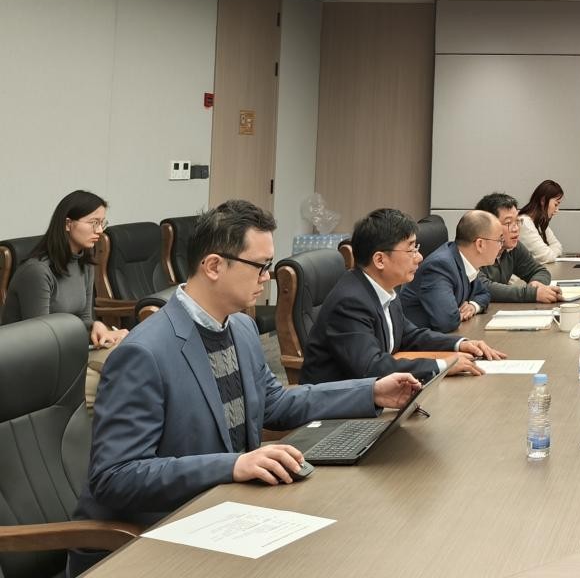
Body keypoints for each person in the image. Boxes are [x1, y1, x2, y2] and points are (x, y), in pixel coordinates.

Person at [72, 200, 423, 573]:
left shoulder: (240, 327)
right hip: (148, 539)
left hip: (223, 517)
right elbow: (116, 477)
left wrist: (371, 391)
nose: (267, 278)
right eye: (260, 266)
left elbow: (274, 404)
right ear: (213, 266)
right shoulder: (143, 352)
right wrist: (234, 465)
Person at [301, 208, 504, 384]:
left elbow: (409, 336)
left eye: (417, 248)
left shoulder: (384, 288)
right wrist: (442, 365)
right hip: (336, 407)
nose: (419, 257)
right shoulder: (350, 302)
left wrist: (460, 344)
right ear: (380, 260)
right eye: (411, 249)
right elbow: (371, 367)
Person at [2, 190, 127, 348]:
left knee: (127, 350)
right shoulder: (37, 271)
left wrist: (96, 327)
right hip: (28, 357)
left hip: (66, 350)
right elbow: (40, 337)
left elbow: (84, 319)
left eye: (102, 223)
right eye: (94, 223)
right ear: (68, 224)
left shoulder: (85, 263)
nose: (100, 230)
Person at [399, 209, 505, 331]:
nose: (501, 246)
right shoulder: (440, 266)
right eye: (499, 241)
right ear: (480, 244)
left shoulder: (463, 259)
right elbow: (446, 321)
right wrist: (457, 313)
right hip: (417, 339)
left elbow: (484, 293)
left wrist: (473, 306)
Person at [476, 192, 561, 304]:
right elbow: (483, 287)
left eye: (517, 221)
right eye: (508, 223)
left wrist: (537, 284)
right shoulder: (475, 248)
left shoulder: (512, 247)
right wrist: (532, 293)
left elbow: (539, 271)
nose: (516, 228)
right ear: (487, 225)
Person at [517, 179, 565, 265]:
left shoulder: (540, 222)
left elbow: (558, 246)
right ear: (543, 200)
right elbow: (546, 257)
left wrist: (550, 252)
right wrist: (550, 252)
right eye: (556, 204)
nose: (557, 210)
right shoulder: (525, 223)